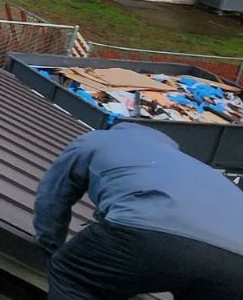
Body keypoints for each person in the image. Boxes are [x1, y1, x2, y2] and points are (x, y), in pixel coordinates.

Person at [34, 123, 243, 299]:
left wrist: (50, 244)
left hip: (149, 234)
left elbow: (52, 196)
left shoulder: (96, 141)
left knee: (74, 278)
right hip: (236, 264)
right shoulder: (191, 165)